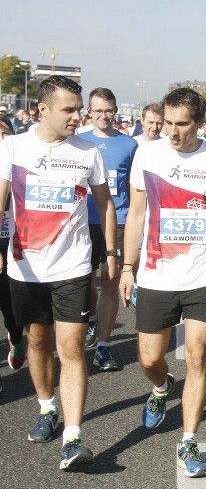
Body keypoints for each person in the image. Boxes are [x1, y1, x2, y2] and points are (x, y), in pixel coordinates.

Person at [118, 87, 206, 478]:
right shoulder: (148, 153)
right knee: (150, 358)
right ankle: (161, 386)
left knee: (198, 355)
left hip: (203, 271)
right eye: (167, 122)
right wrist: (127, 266)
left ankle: (188, 440)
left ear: (199, 123)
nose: (171, 131)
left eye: (181, 124)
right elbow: (136, 214)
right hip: (155, 272)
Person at [0, 75, 117, 471]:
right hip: (25, 267)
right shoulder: (13, 147)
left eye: (78, 108)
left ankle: (73, 437)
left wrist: (113, 251)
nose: (77, 116)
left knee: (70, 349)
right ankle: (47, 408)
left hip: (72, 266)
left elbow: (106, 204)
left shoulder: (88, 152)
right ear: (42, 110)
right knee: (37, 341)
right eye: (69, 109)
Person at [78, 88, 138, 371]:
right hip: (83, 221)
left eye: (108, 110)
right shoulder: (77, 142)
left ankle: (103, 346)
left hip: (120, 221)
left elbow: (133, 189)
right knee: (84, 280)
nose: (103, 116)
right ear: (89, 112)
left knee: (110, 280)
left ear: (116, 111)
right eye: (97, 110)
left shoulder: (129, 145)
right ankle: (90, 320)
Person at [0, 116, 25, 394]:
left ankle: (16, 337)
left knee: (11, 308)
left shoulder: (19, 167)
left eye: (5, 133)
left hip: (13, 241)